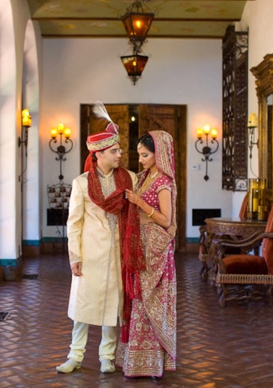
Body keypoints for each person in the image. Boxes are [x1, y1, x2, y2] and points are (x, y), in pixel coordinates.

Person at [56, 102, 144, 374]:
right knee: (83, 308)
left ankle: (107, 357)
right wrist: (75, 257)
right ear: (99, 154)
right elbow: (74, 223)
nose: (120, 154)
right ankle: (75, 356)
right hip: (90, 254)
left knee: (112, 307)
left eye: (118, 149)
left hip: (119, 253)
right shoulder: (81, 183)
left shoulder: (129, 178)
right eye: (114, 151)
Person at [118, 130, 177, 377]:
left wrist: (140, 204)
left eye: (145, 155)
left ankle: (152, 363)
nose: (140, 159)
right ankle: (135, 361)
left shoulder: (163, 182)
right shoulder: (143, 177)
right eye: (139, 154)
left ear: (158, 154)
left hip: (156, 254)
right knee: (137, 301)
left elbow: (166, 220)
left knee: (150, 304)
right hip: (140, 250)